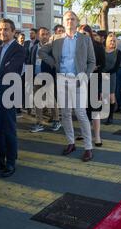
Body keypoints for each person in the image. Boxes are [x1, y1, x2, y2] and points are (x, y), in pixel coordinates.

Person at [39, 10, 96, 162]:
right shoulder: (56, 39)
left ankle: (88, 147)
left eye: (72, 19)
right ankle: (71, 143)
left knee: (80, 113)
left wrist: (86, 77)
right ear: (64, 22)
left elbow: (92, 61)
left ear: (77, 22)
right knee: (65, 113)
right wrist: (54, 63)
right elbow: (42, 51)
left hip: (79, 80)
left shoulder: (85, 39)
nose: (70, 21)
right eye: (67, 19)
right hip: (62, 79)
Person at [0, 19, 26, 177]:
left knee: (9, 129)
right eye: (0, 29)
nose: (2, 32)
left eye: (6, 29)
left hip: (9, 93)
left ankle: (11, 162)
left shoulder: (19, 49)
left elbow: (11, 69)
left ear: (13, 32)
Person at [29, 27, 61, 133]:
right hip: (37, 77)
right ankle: (39, 122)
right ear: (38, 36)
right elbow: (31, 62)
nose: (45, 36)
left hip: (49, 77)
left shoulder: (52, 48)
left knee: (51, 100)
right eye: (43, 34)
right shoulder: (34, 48)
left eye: (47, 34)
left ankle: (56, 120)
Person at [78, 24, 105, 147]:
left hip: (94, 80)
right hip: (81, 80)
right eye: (80, 33)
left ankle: (97, 136)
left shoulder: (98, 47)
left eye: (84, 33)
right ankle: (85, 132)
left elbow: (103, 65)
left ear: (89, 34)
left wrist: (94, 68)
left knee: (95, 110)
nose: (82, 35)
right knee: (82, 109)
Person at [103, 33, 121, 125]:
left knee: (111, 96)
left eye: (114, 41)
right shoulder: (102, 50)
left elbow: (117, 67)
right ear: (107, 41)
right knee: (101, 96)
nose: (112, 42)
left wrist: (106, 74)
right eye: (110, 40)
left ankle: (110, 117)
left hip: (111, 76)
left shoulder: (118, 52)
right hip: (100, 75)